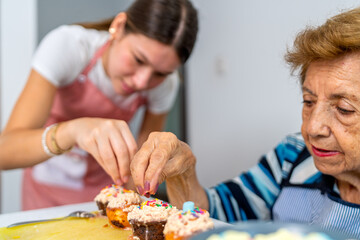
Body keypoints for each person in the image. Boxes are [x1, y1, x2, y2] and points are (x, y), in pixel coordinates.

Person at [130, 7, 360, 238]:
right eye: (308, 101)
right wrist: (182, 172)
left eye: (344, 109)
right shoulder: (292, 155)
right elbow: (213, 214)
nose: (312, 128)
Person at [0, 0, 198, 210]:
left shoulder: (166, 85)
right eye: (138, 60)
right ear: (119, 26)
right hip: (46, 192)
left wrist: (129, 205)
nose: (141, 82)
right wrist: (72, 131)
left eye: (160, 74)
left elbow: (142, 165)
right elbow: (5, 152)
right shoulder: (69, 47)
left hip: (106, 197)